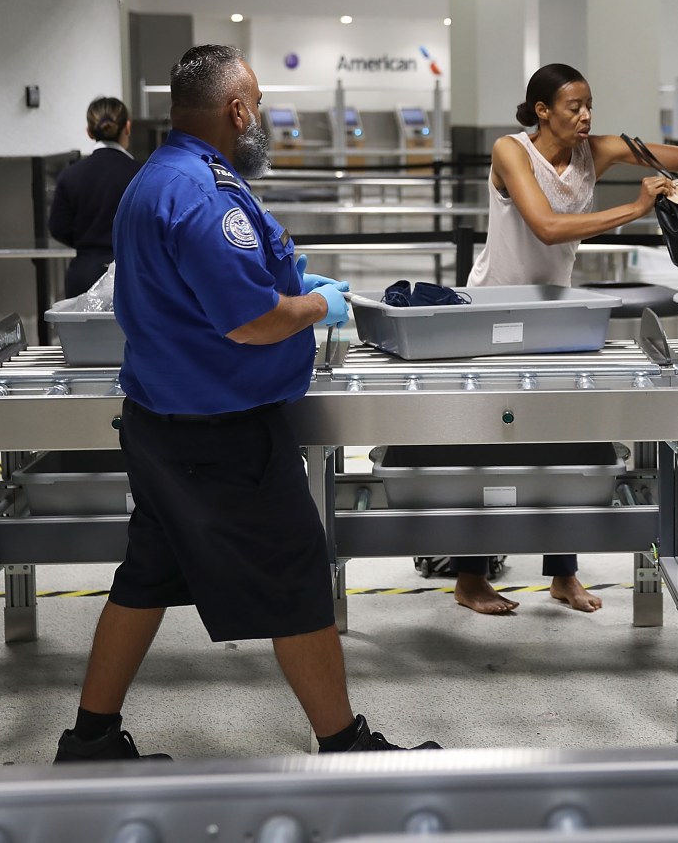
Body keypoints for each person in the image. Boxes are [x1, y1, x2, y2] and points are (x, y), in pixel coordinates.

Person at [54, 45, 439, 763]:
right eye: (254, 101)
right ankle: (345, 745)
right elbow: (249, 320)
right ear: (236, 110)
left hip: (160, 423)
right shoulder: (202, 194)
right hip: (221, 434)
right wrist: (315, 304)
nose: (258, 114)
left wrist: (290, 275)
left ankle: (91, 738)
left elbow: (221, 278)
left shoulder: (158, 178)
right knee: (295, 575)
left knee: (147, 575)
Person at [454, 62, 678, 616]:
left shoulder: (595, 150)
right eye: (573, 106)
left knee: (561, 442)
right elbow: (546, 225)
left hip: (554, 312)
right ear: (543, 110)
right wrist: (634, 209)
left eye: (589, 104)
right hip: (495, 313)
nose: (586, 115)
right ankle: (470, 576)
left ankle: (563, 575)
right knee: (489, 446)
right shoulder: (511, 151)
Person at [47, 97, 141, 297]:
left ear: (89, 132)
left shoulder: (70, 175)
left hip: (84, 276)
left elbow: (58, 227)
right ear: (128, 127)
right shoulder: (142, 175)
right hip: (133, 275)